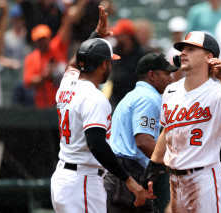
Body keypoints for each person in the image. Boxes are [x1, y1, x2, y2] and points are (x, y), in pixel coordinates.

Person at [141, 31, 221, 213]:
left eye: (191, 49)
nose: (183, 53)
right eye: (183, 49)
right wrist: (153, 166)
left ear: (209, 57)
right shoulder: (171, 90)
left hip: (204, 177)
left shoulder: (218, 91)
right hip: (176, 180)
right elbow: (167, 130)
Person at [50, 6, 146, 213]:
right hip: (83, 180)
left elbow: (72, 64)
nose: (111, 67)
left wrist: (94, 37)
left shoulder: (67, 83)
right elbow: (96, 144)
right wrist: (128, 179)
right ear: (103, 65)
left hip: (64, 177)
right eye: (109, 62)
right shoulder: (94, 97)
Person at [104, 53, 177, 212]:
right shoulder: (148, 98)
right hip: (127, 174)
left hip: (121, 173)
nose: (171, 79)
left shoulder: (132, 95)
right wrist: (174, 163)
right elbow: (143, 141)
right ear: (152, 75)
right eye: (166, 73)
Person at [105, 18, 149, 110]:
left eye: (119, 35)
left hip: (135, 102)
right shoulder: (115, 52)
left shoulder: (142, 54)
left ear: (128, 36)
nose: (116, 38)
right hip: (116, 101)